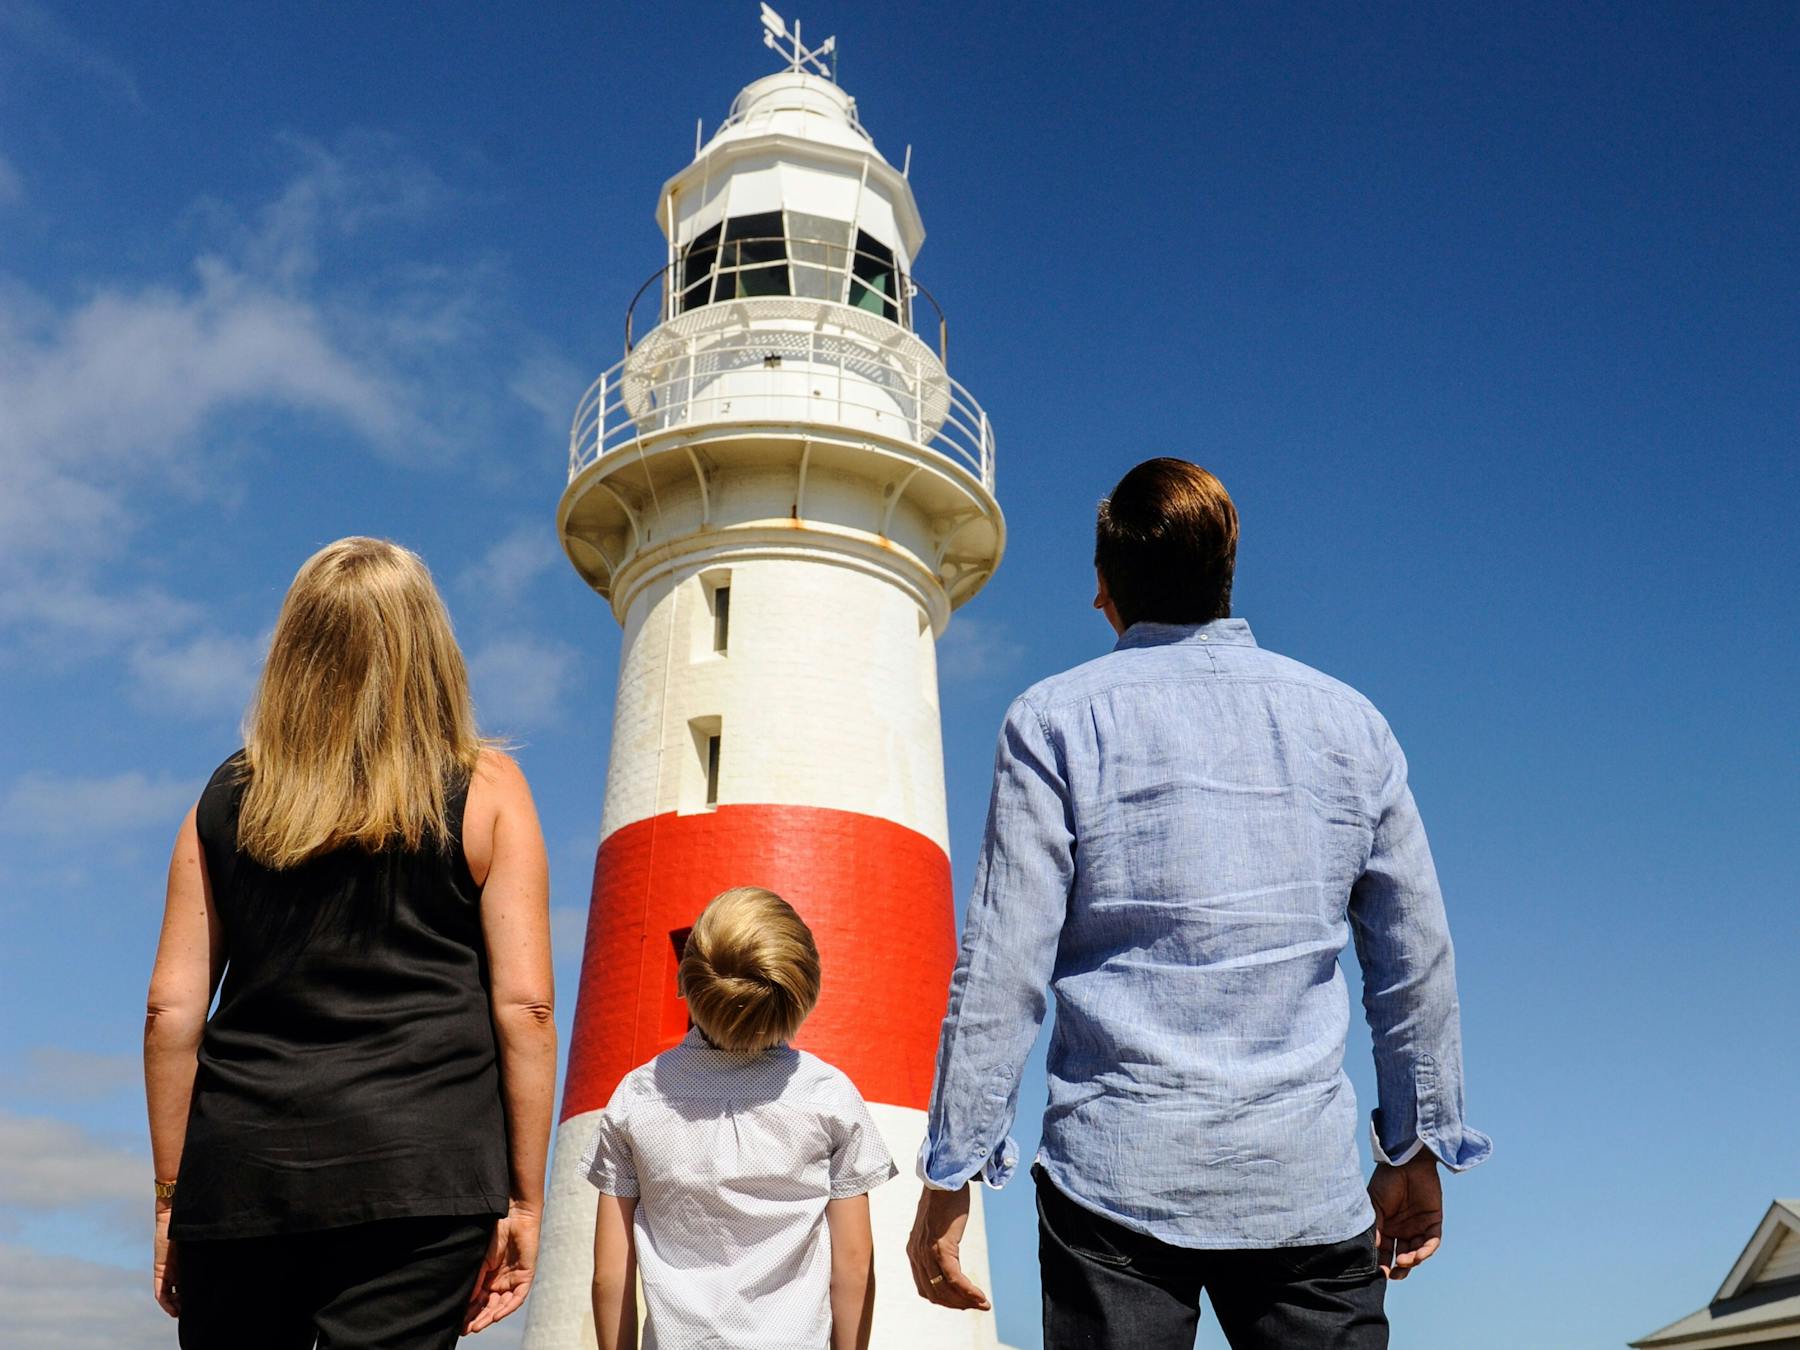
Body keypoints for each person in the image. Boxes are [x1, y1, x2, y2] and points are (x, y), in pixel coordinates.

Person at [907, 460, 1492, 1349]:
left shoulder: (1053, 719)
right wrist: (1416, 1146)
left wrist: (952, 1169)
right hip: (1304, 1181)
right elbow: (1413, 962)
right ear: (1228, 571)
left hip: (1114, 1180)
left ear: (1105, 590)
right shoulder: (1351, 723)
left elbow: (1003, 966)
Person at [143, 536, 556, 1349]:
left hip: (241, 1176)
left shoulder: (224, 798)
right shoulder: (488, 788)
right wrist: (525, 1199)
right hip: (423, 1173)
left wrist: (169, 1197)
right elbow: (527, 1009)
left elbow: (171, 1012)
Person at [586, 885, 898, 1350]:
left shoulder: (638, 1097)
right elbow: (854, 1268)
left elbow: (610, 1276)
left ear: (687, 977)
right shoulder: (828, 1096)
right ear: (802, 989)